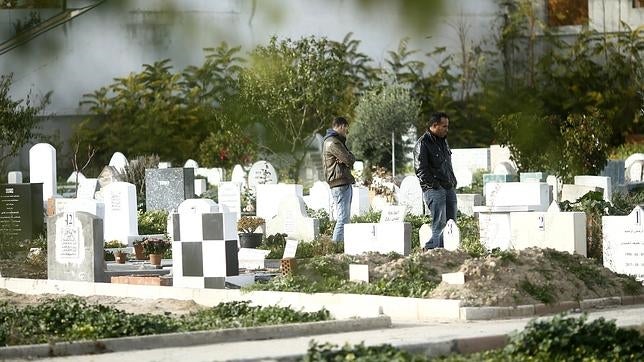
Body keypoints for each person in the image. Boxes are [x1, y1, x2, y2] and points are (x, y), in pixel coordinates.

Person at [413, 111, 457, 250]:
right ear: (434, 125)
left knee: (451, 223)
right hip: (434, 189)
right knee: (439, 222)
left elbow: (447, 164)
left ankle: (436, 247)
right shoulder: (423, 144)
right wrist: (435, 186)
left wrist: (452, 180)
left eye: (447, 126)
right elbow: (421, 170)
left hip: (448, 186)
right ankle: (438, 251)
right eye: (444, 126)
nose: (446, 129)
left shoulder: (443, 141)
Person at [323, 116, 355, 242]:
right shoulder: (333, 142)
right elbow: (349, 159)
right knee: (343, 219)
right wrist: (348, 158)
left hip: (341, 182)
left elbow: (348, 159)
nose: (346, 132)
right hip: (340, 183)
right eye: (346, 129)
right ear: (341, 126)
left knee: (345, 218)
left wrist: (347, 158)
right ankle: (335, 246)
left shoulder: (335, 141)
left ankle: (340, 246)